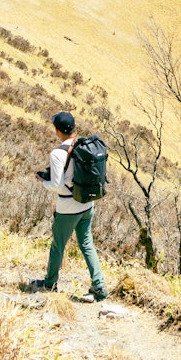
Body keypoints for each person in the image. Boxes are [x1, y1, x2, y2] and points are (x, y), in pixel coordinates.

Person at [29, 111, 108, 302]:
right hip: (87, 204)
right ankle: (99, 286)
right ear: (74, 128)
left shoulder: (57, 153)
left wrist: (43, 181)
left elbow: (57, 184)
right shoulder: (84, 145)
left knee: (58, 246)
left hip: (67, 208)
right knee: (87, 244)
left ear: (57, 131)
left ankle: (50, 283)